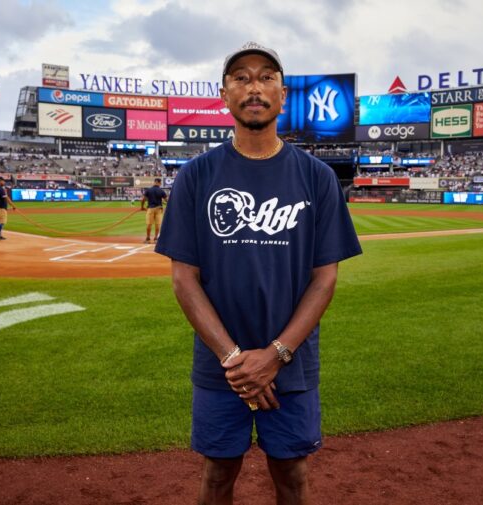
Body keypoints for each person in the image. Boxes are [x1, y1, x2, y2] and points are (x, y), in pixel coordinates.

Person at [155, 42, 362, 505]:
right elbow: (183, 279)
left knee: (292, 475)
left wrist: (275, 355)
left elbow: (324, 280)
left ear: (283, 95)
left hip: (292, 365)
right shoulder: (195, 175)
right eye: (242, 77)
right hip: (219, 366)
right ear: (224, 94)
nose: (254, 86)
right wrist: (234, 359)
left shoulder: (317, 177)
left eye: (266, 77)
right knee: (217, 474)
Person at [140, 178, 168, 244]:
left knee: (149, 224)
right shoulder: (161, 191)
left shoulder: (148, 190)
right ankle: (156, 239)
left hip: (150, 209)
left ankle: (148, 238)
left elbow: (143, 199)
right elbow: (167, 200)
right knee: (158, 224)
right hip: (159, 209)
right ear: (159, 183)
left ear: (154, 182)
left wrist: (142, 207)